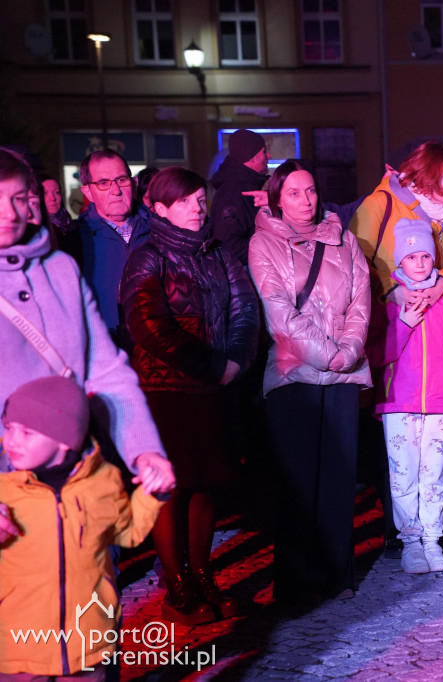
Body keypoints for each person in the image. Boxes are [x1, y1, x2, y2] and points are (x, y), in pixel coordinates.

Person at [0, 148, 174, 545]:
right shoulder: (81, 243)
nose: (9, 213)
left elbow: (106, 370)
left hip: (79, 472)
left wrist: (143, 449)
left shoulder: (59, 269)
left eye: (16, 197)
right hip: (10, 489)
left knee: (90, 593)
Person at [120, 167, 260, 623]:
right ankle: (177, 584)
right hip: (167, 390)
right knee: (173, 490)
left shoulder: (217, 253)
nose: (199, 208)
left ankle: (202, 575)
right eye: (186, 201)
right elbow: (148, 325)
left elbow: (244, 307)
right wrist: (212, 366)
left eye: (201, 199)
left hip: (214, 389)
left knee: (207, 486)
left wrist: (235, 360)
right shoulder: (148, 256)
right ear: (159, 208)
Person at [249, 159, 371, 603]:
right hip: (294, 373)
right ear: (278, 198)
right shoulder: (263, 243)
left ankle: (337, 574)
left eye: (312, 191)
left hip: (343, 372)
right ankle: (297, 582)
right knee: (299, 481)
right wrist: (329, 354)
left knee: (339, 479)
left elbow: (361, 298)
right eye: (295, 193)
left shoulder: (344, 240)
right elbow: (278, 310)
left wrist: (348, 351)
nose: (306, 200)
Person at [0, 376, 165, 679]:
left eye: (26, 431)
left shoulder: (103, 482)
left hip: (88, 644)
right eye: (8, 428)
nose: (11, 440)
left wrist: (151, 496)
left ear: (64, 439)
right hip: (19, 649)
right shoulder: (4, 490)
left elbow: (126, 534)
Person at [367, 218, 443, 575]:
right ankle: (410, 543)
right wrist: (403, 323)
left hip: (438, 401)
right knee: (403, 476)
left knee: (433, 474)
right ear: (399, 262)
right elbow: (376, 355)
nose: (420, 263)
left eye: (426, 255)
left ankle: (433, 542)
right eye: (412, 256)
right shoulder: (387, 304)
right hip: (398, 402)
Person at [350, 140, 443, 305]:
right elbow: (353, 260)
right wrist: (391, 290)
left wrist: (440, 285)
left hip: (434, 320)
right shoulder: (379, 203)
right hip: (386, 320)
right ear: (433, 174)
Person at [67, 149, 152, 343]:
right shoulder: (74, 241)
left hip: (159, 352)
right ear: (87, 191)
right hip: (106, 350)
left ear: (133, 183)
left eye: (122, 179)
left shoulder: (160, 232)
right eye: (103, 183)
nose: (116, 190)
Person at [210, 129, 269, 266]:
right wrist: (269, 250)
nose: (268, 156)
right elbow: (228, 245)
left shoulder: (246, 185)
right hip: (244, 278)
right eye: (264, 152)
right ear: (252, 157)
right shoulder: (234, 194)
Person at [38, 173, 73, 240]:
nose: (53, 198)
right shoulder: (33, 232)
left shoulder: (75, 227)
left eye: (57, 192)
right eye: (45, 193)